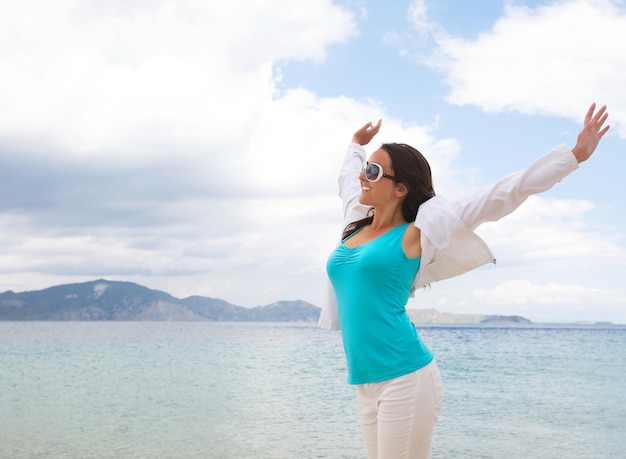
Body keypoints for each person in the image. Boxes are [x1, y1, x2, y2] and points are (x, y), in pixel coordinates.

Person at [321, 103, 610, 459]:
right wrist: (355, 145)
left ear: (400, 189)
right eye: (367, 168)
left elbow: (501, 194)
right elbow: (347, 178)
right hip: (365, 381)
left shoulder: (417, 233)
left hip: (405, 377)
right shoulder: (357, 220)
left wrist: (575, 155)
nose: (365, 175)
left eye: (375, 171)